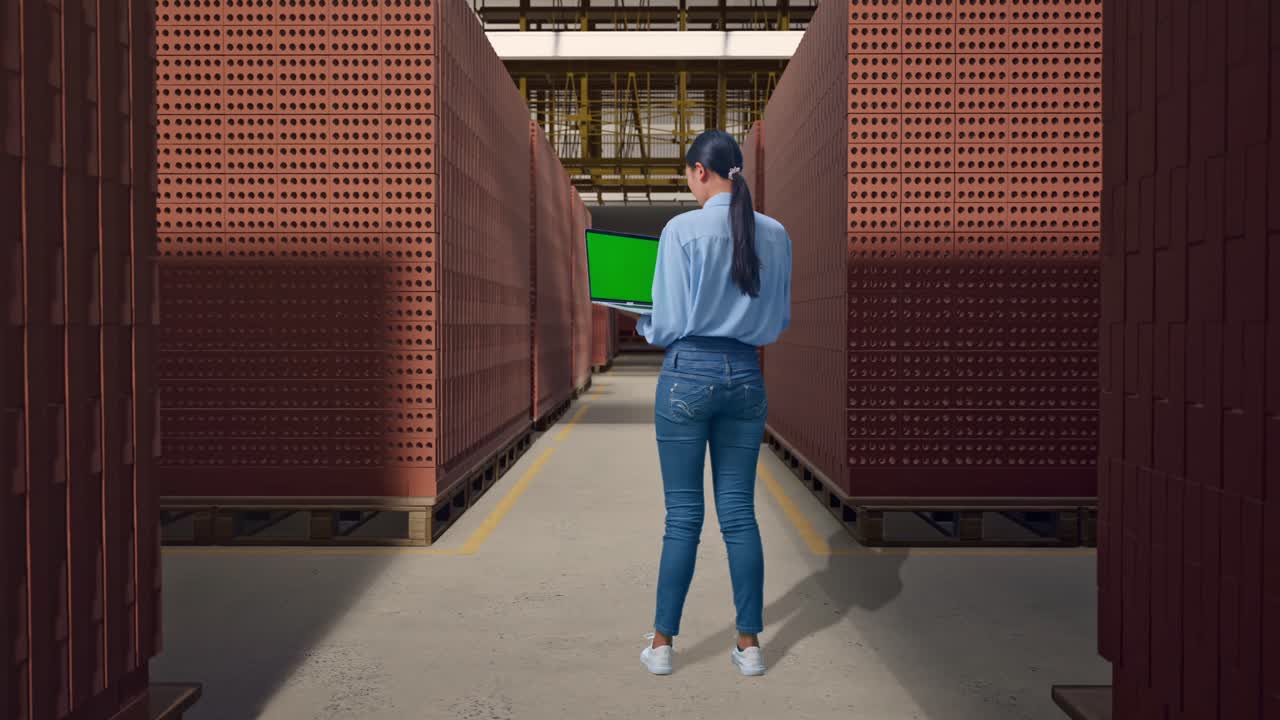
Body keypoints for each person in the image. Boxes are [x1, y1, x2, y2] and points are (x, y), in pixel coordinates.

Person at [630, 129, 792, 677]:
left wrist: (642, 318)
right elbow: (778, 321)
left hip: (687, 376)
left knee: (683, 519)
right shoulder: (775, 234)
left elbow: (669, 321)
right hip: (746, 375)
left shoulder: (681, 230)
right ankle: (749, 647)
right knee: (740, 516)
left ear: (701, 170)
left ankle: (662, 646)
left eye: (688, 176)